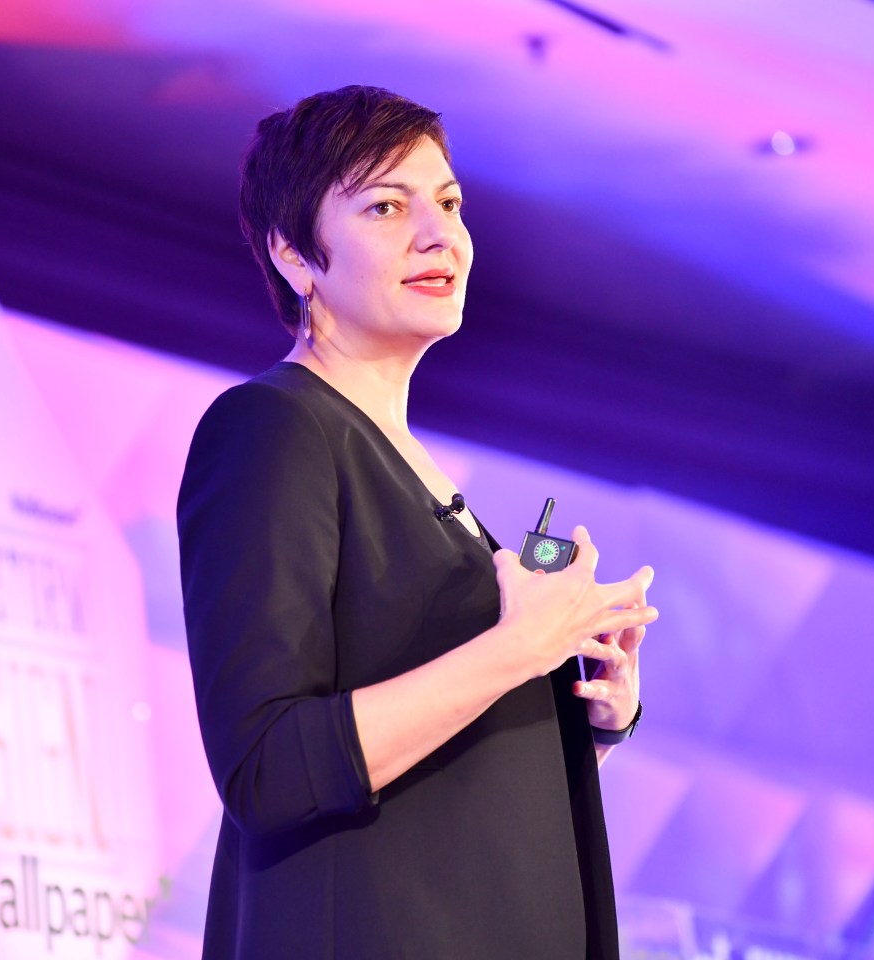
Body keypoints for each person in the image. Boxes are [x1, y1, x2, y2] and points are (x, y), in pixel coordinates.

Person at [177, 85, 657, 960]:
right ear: (294, 254)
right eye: (387, 207)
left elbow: (441, 790)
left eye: (449, 202)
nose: (441, 236)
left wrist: (587, 716)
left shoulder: (407, 466)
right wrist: (519, 649)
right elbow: (268, 766)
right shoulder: (273, 427)